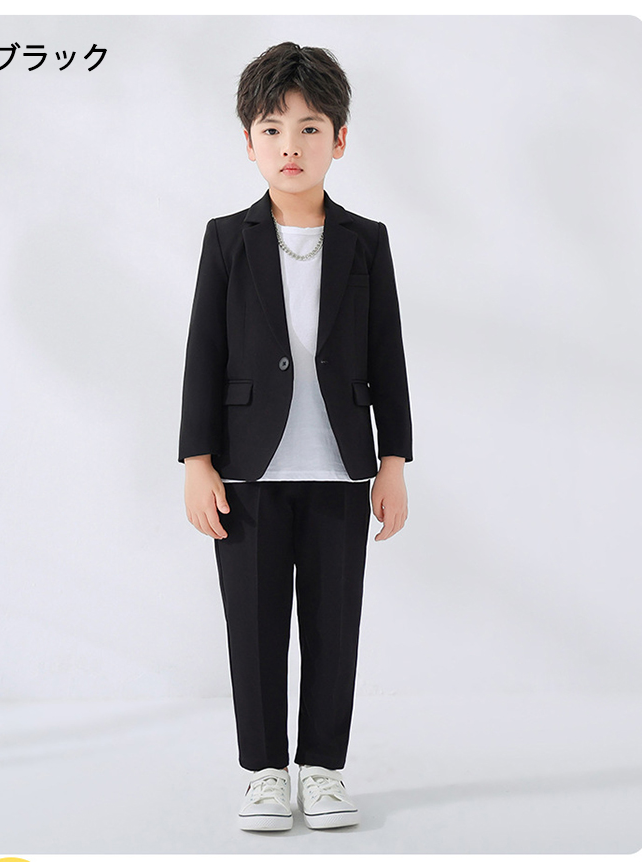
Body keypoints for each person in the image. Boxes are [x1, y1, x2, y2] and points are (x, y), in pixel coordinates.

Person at [178, 42, 413, 832]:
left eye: (310, 129)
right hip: (247, 472)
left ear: (338, 140)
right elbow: (204, 352)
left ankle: (321, 769)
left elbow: (388, 356)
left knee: (332, 627)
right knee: (253, 629)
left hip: (342, 471)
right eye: (273, 129)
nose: (291, 146)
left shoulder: (366, 240)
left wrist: (393, 461)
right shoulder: (227, 239)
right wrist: (197, 461)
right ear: (248, 141)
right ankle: (263, 774)